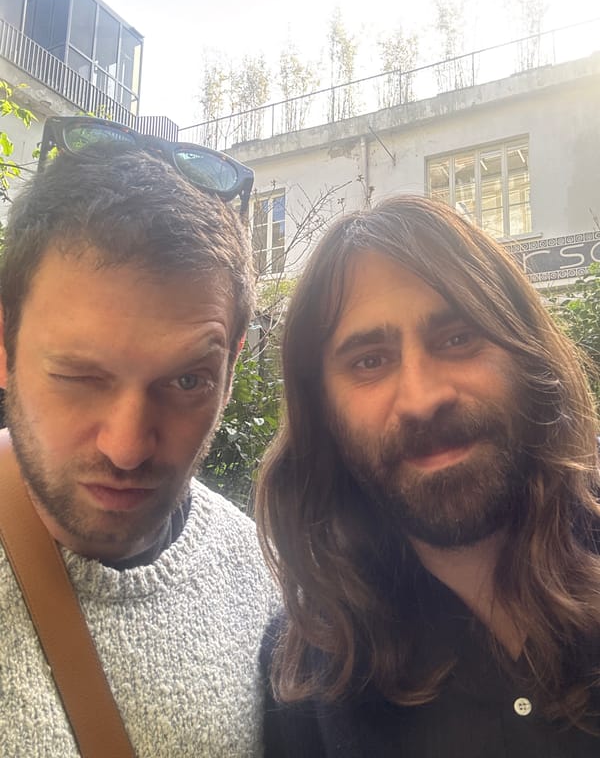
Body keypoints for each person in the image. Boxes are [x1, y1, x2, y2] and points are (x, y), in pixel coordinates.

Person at [256, 194, 600, 757]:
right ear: (324, 413)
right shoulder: (307, 678)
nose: (421, 398)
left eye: (458, 337)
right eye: (370, 360)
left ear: (527, 353)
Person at [0, 121, 278, 757]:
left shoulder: (257, 576)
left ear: (232, 369)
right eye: (79, 375)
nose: (127, 447)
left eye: (187, 380)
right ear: (5, 343)